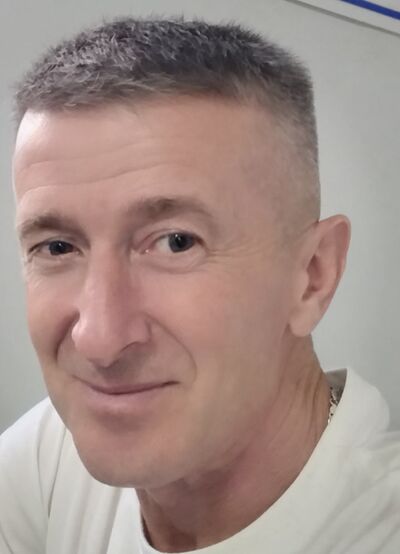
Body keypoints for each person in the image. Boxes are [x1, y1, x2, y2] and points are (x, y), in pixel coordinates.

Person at [0, 17, 399, 554]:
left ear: (313, 276)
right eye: (57, 247)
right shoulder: (49, 456)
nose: (98, 339)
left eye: (176, 242)